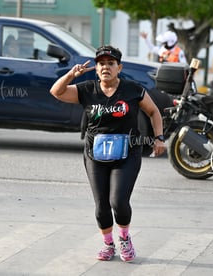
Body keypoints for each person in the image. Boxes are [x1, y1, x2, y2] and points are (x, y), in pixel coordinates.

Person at [49, 45, 166, 262]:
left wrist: (159, 138)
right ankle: (108, 243)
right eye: (101, 63)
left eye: (110, 64)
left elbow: (153, 112)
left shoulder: (133, 89)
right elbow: (56, 92)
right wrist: (71, 75)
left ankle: (124, 238)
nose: (105, 67)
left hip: (127, 153)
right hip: (95, 154)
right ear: (96, 68)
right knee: (101, 206)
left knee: (118, 202)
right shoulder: (86, 89)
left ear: (119, 68)